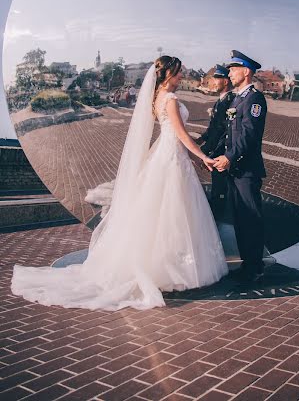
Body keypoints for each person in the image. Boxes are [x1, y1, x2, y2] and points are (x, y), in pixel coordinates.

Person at [11, 56, 228, 311]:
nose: (182, 76)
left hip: (169, 155)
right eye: (179, 73)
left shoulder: (158, 98)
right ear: (168, 74)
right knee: (173, 212)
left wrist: (192, 157)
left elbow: (176, 136)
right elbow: (180, 134)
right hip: (171, 158)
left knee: (162, 213)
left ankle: (168, 266)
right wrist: (203, 156)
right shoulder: (170, 100)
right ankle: (171, 271)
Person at [213, 50, 273, 283]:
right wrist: (215, 155)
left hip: (246, 170)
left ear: (246, 71)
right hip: (235, 170)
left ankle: (255, 267)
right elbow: (229, 134)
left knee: (251, 219)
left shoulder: (254, 99)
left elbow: (248, 135)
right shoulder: (237, 99)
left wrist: (229, 157)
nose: (229, 72)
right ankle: (248, 263)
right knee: (240, 218)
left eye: (233, 68)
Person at [196, 65, 235, 220]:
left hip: (221, 153)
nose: (213, 82)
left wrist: (207, 152)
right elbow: (214, 127)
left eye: (216, 79)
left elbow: (223, 132)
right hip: (216, 150)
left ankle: (216, 220)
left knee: (219, 188)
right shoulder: (221, 100)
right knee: (218, 185)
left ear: (225, 81)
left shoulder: (230, 101)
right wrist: (201, 138)